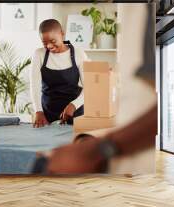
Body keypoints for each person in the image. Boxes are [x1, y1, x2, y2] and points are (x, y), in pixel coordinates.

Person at [44, 4, 157, 174]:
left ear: (62, 35)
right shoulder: (130, 12)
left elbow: (155, 110)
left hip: (135, 158)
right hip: (124, 158)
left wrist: (99, 149)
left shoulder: (142, 10)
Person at [30, 19, 88, 128]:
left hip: (74, 113)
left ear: (62, 34)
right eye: (45, 43)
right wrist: (38, 111)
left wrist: (73, 105)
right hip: (48, 113)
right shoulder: (39, 54)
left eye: (53, 41)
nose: (49, 46)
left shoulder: (79, 54)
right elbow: (34, 86)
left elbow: (89, 87)